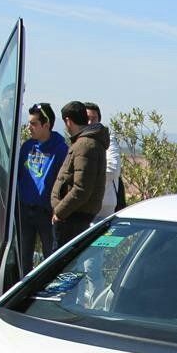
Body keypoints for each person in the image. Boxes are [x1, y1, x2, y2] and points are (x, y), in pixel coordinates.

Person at [16, 103, 68, 275]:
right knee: (23, 257)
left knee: (50, 256)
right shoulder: (26, 147)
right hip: (24, 210)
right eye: (29, 122)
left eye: (34, 123)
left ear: (46, 125)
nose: (29, 127)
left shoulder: (60, 149)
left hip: (47, 212)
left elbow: (65, 181)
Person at [51, 101, 109, 248]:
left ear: (68, 121)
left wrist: (60, 212)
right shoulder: (86, 143)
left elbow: (81, 188)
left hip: (73, 219)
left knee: (63, 266)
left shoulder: (85, 145)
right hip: (72, 216)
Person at [85, 101, 124, 219]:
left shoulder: (108, 140)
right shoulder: (77, 141)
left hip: (104, 207)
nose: (90, 122)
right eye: (87, 118)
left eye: (94, 118)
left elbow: (112, 170)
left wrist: (85, 174)